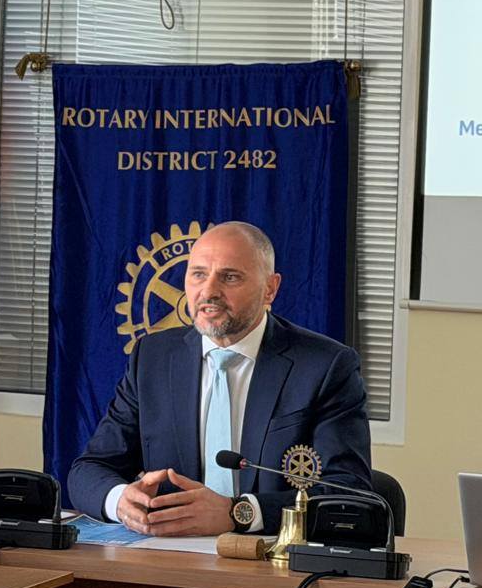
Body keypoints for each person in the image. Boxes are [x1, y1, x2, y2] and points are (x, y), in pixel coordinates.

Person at [67, 221, 371, 536]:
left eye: (230, 277)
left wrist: (238, 513)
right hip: (168, 552)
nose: (208, 292)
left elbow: (350, 492)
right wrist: (120, 500)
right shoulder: (152, 358)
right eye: (198, 274)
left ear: (270, 288)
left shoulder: (325, 366)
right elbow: (89, 470)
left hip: (268, 555)